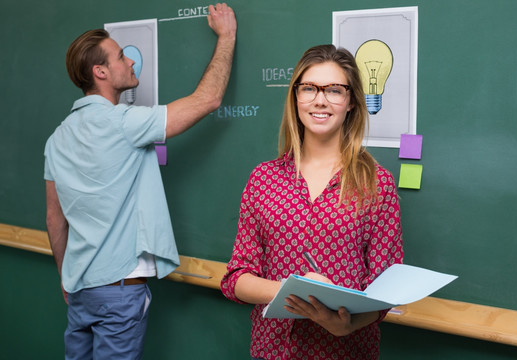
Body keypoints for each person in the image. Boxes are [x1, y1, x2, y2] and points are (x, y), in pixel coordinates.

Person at [44, 4, 236, 359]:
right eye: (120, 57)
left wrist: (66, 277)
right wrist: (226, 36)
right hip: (118, 291)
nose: (130, 61)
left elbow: (55, 219)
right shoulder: (123, 122)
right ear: (100, 71)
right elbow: (208, 99)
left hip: (79, 289)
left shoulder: (56, 138)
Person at [221, 44, 403, 360]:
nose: (320, 100)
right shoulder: (263, 179)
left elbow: (385, 287)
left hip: (346, 351)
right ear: (295, 97)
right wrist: (292, 291)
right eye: (309, 88)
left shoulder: (376, 183)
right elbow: (237, 278)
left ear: (351, 102)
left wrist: (348, 324)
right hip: (274, 351)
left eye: (334, 90)